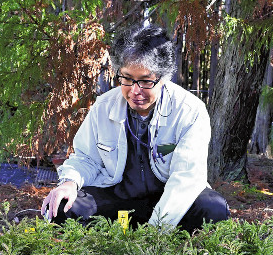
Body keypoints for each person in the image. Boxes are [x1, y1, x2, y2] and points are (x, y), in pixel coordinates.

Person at [41, 24, 229, 232]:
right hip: (118, 198)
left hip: (168, 201)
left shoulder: (189, 111)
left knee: (212, 208)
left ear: (163, 78)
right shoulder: (104, 107)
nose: (135, 91)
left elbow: (186, 179)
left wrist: (154, 233)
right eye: (127, 79)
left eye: (145, 81)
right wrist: (69, 182)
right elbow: (86, 158)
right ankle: (114, 238)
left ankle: (146, 236)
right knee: (61, 206)